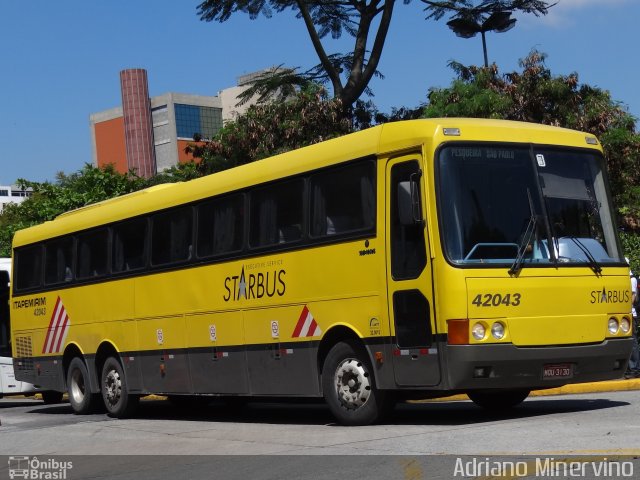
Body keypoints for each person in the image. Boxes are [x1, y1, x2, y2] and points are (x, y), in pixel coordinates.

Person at [625, 264, 639, 378]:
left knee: (633, 342)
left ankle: (635, 368)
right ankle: (629, 367)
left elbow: (632, 297)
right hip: (626, 315)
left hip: (631, 314)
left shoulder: (631, 279)